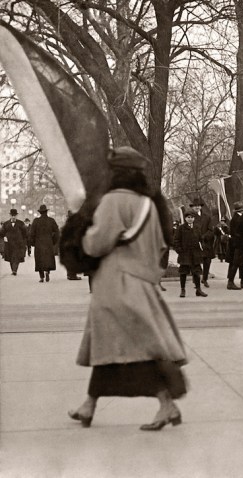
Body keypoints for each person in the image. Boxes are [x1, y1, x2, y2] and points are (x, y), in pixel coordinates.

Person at [69, 145, 188, 431]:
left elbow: (97, 244)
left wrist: (82, 238)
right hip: (141, 283)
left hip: (116, 285)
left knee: (131, 350)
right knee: (112, 348)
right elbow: (161, 244)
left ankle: (166, 404)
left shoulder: (113, 201)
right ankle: (89, 404)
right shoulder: (149, 204)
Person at [174, 208, 208, 298]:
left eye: (192, 217)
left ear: (194, 218)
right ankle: (182, 290)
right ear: (185, 218)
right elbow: (176, 240)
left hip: (195, 254)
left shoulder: (197, 227)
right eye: (188, 217)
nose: (190, 219)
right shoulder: (181, 228)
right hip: (184, 254)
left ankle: (198, 290)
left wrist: (202, 246)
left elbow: (201, 239)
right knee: (183, 272)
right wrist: (179, 250)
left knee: (196, 272)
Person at [226, 201, 243, 290]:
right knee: (236, 263)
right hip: (240, 244)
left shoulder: (242, 217)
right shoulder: (240, 218)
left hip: (242, 244)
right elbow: (242, 231)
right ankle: (230, 282)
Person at [29, 204, 60, 283]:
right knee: (48, 258)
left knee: (39, 259)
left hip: (39, 243)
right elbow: (57, 232)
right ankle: (47, 272)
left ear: (40, 212)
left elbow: (32, 233)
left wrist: (32, 243)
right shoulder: (51, 220)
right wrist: (53, 241)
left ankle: (41, 276)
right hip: (48, 243)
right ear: (46, 212)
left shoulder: (36, 221)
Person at [190, 198, 216, 287]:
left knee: (207, 261)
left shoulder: (207, 217)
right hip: (195, 242)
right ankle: (195, 279)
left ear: (201, 207)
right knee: (195, 262)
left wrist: (204, 236)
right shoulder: (190, 216)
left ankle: (204, 279)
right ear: (192, 207)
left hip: (205, 242)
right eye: (195, 206)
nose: (197, 207)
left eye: (198, 206)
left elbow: (211, 230)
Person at [0, 208, 28, 276]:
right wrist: (4, 239)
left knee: (16, 257)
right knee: (10, 257)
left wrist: (24, 242)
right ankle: (13, 269)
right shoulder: (6, 224)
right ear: (10, 215)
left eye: (14, 215)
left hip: (18, 244)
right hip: (9, 244)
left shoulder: (21, 223)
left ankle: (14, 270)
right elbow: (1, 233)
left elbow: (25, 233)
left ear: (16, 215)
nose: (13, 217)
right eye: (12, 215)